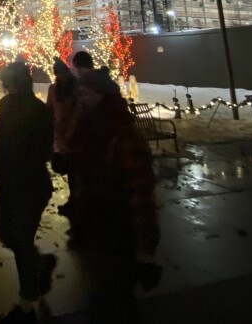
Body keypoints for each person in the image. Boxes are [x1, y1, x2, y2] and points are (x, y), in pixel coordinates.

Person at [69, 68, 160, 323]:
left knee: (116, 302)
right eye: (79, 93)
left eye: (85, 93)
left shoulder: (122, 133)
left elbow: (141, 194)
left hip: (118, 231)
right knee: (101, 297)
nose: (81, 98)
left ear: (101, 94)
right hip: (96, 228)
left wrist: (145, 251)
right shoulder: (87, 125)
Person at [0, 62, 56, 324]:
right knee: (12, 236)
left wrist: (0, 172)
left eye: (4, 83)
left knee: (19, 239)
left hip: (22, 185)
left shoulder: (10, 111)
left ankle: (26, 304)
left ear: (12, 84)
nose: (3, 87)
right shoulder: (37, 110)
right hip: (28, 183)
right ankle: (39, 267)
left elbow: (3, 147)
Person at [46, 58, 78, 217]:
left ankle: (77, 201)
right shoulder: (55, 89)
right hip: (62, 136)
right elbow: (50, 110)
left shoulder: (75, 89)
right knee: (71, 170)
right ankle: (75, 200)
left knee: (75, 171)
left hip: (74, 135)